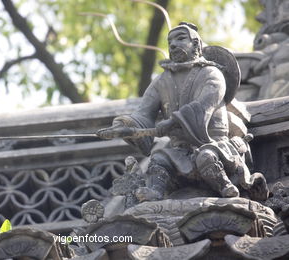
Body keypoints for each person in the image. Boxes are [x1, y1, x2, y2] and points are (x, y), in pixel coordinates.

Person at [97, 22, 268, 201]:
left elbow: (203, 106)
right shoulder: (162, 80)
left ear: (196, 45)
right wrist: (123, 126)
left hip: (211, 143)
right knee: (159, 160)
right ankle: (155, 192)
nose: (172, 45)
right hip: (179, 149)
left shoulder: (212, 73)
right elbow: (143, 113)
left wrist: (173, 121)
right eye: (170, 41)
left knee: (206, 157)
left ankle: (225, 186)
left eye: (180, 39)